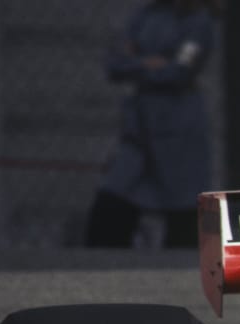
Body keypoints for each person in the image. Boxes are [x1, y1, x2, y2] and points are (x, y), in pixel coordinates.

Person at [85, 0, 221, 248]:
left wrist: (138, 63)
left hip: (178, 128)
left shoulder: (198, 22)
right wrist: (149, 63)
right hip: (140, 128)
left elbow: (180, 71)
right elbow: (114, 64)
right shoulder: (146, 15)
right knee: (112, 202)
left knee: (183, 208)